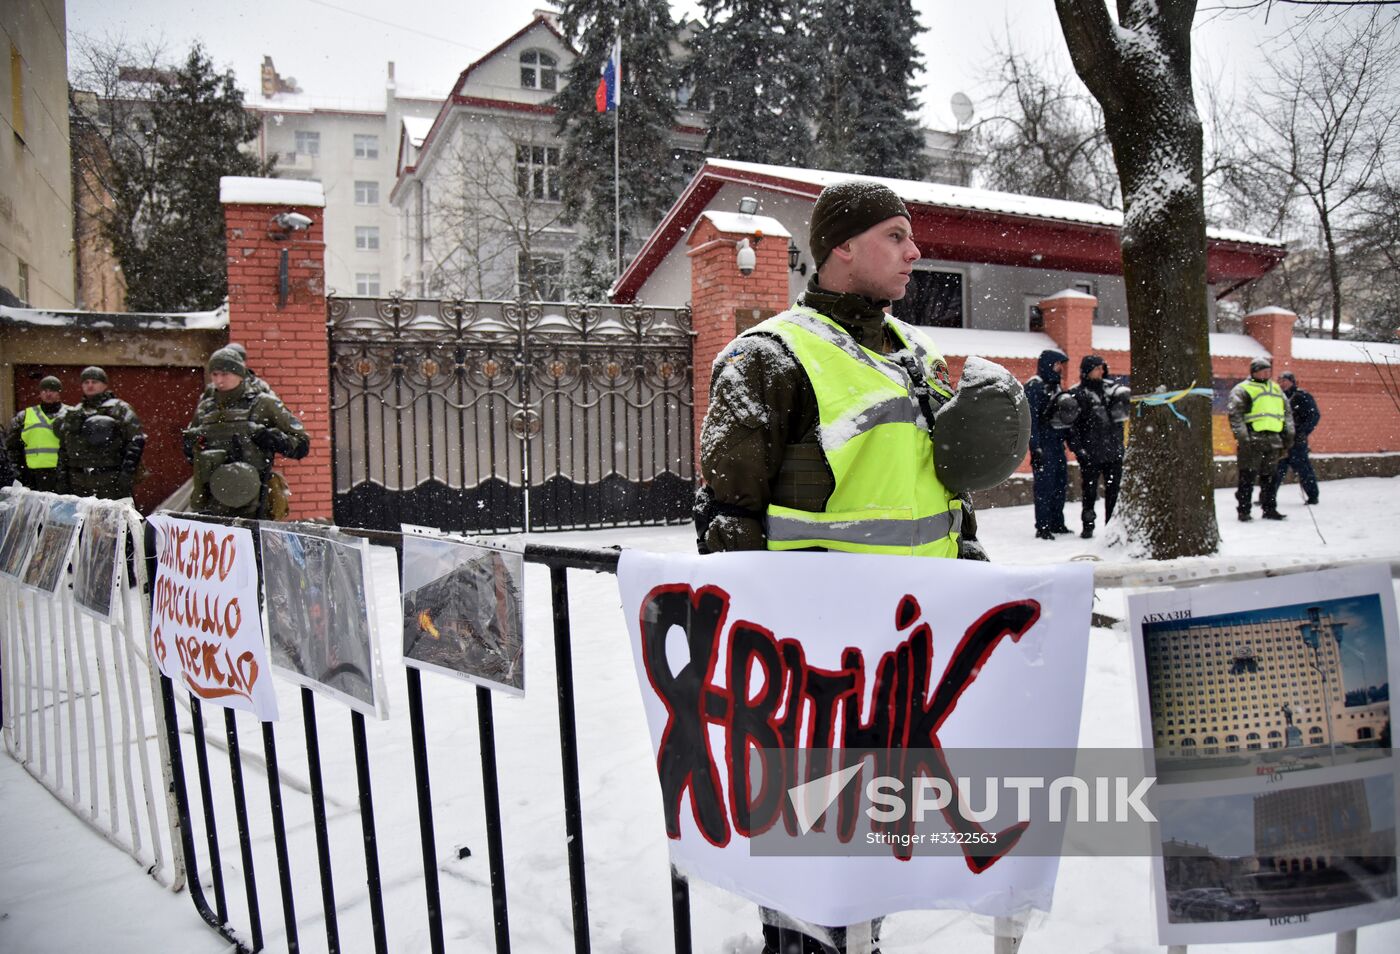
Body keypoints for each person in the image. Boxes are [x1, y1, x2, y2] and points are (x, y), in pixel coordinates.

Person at [694, 180, 1029, 954]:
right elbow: (725, 521)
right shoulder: (766, 358)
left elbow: (947, 500)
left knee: (878, 842)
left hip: (908, 662)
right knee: (813, 865)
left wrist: (975, 592)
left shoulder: (917, 353)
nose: (914, 252)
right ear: (841, 246)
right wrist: (771, 664)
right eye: (894, 235)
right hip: (813, 674)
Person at [184, 347, 310, 519]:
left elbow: (301, 444)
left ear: (240, 374)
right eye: (214, 375)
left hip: (255, 501)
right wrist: (193, 444)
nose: (219, 380)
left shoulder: (264, 403)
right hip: (213, 501)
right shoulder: (206, 407)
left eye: (225, 374)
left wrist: (271, 438)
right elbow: (192, 451)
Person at [1064, 355, 1128, 538]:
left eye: (1102, 368)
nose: (1101, 371)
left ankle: (1111, 528)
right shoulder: (1077, 393)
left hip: (1113, 454)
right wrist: (1079, 450)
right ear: (1087, 371)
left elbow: (1119, 421)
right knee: (1089, 493)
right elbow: (1072, 428)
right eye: (1096, 368)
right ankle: (1088, 525)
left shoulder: (1112, 391)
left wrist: (1119, 447)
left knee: (1113, 493)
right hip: (1090, 454)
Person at [57, 366, 145, 500]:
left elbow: (135, 441)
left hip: (110, 479)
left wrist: (127, 474)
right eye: (86, 382)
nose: (90, 385)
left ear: (104, 385)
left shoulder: (119, 408)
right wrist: (62, 478)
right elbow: (63, 448)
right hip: (78, 481)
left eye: (94, 382)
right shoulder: (74, 412)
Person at [1228, 357, 1294, 522]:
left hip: (1274, 439)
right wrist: (1243, 439)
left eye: (1268, 370)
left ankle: (1270, 509)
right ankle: (1244, 510)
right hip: (1253, 439)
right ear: (1254, 371)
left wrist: (1288, 435)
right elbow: (1236, 416)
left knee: (1270, 477)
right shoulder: (1243, 389)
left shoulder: (1276, 389)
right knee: (1247, 477)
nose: (1267, 373)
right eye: (1263, 370)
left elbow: (1287, 414)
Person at [1025, 349, 1072, 539]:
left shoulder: (1056, 387)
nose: (1060, 368)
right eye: (1057, 364)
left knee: (1060, 486)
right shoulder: (1035, 387)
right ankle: (1043, 526)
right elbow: (1031, 421)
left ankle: (1057, 523)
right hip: (1043, 447)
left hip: (1057, 445)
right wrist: (1035, 447)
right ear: (1048, 364)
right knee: (1044, 488)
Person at [7, 375, 68, 492]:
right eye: (45, 390)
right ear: (40, 393)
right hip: (34, 474)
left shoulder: (70, 414)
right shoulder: (24, 416)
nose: (48, 394)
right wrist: (20, 471)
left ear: (59, 392)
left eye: (52, 390)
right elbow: (12, 447)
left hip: (63, 473)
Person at [1275, 370, 1321, 505]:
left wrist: (1302, 432)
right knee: (1275, 471)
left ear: (1292, 382)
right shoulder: (1277, 397)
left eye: (1285, 381)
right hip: (1281, 440)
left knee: (1304, 469)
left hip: (1297, 441)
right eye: (1280, 381)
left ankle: (1313, 496)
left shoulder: (1302, 396)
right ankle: (1267, 498)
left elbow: (1314, 416)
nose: (1282, 384)